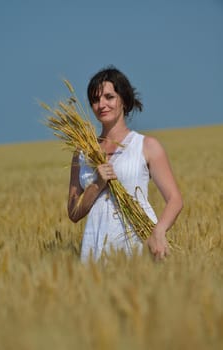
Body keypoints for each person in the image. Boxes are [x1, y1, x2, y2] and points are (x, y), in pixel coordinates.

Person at [68, 66, 183, 262]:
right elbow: (73, 212)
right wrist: (97, 185)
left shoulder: (146, 145)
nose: (101, 104)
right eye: (95, 100)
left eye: (109, 97)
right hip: (96, 247)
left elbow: (175, 199)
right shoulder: (82, 153)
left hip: (138, 244)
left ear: (124, 100)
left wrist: (159, 232)